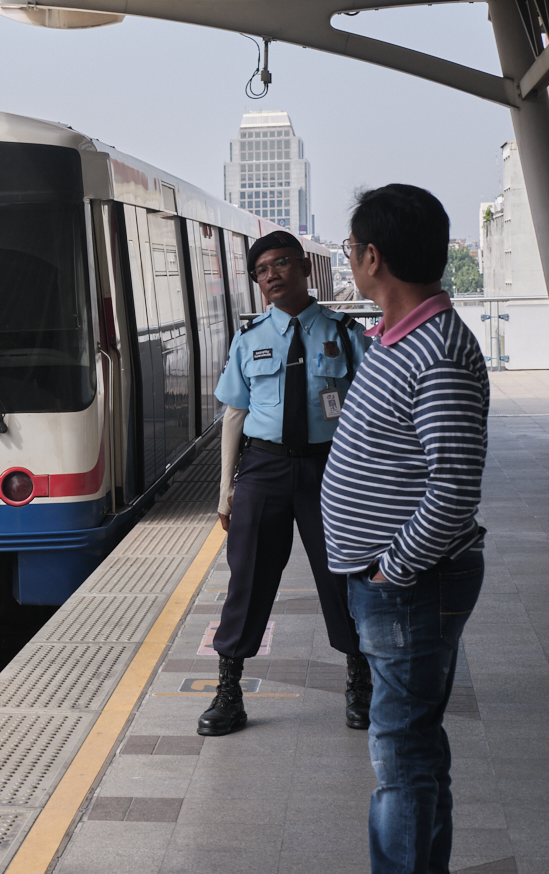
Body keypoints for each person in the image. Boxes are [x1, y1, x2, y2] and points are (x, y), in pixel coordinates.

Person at [322, 185, 489, 874]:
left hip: (409, 587)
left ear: (373, 257)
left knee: (398, 754)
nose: (350, 260)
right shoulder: (398, 338)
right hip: (395, 584)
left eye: (351, 248)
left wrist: (394, 565)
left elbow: (452, 485)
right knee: (416, 748)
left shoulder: (438, 352)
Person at [200, 230, 373, 737]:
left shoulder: (343, 333)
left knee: (341, 574)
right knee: (247, 578)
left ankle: (359, 682)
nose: (271, 276)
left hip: (329, 469)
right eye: (261, 271)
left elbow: (365, 413)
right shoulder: (249, 340)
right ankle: (228, 690)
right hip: (264, 468)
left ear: (303, 268)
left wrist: (364, 481)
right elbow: (235, 414)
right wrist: (225, 489)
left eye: (279, 265)